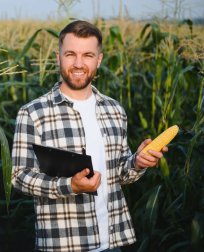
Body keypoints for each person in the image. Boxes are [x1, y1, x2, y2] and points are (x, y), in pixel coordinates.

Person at [11, 20, 167, 252]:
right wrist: (69, 186)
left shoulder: (114, 110)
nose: (78, 63)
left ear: (99, 60)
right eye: (70, 54)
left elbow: (120, 175)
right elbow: (19, 176)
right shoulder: (33, 113)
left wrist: (137, 161)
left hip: (112, 242)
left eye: (88, 55)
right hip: (63, 244)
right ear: (58, 57)